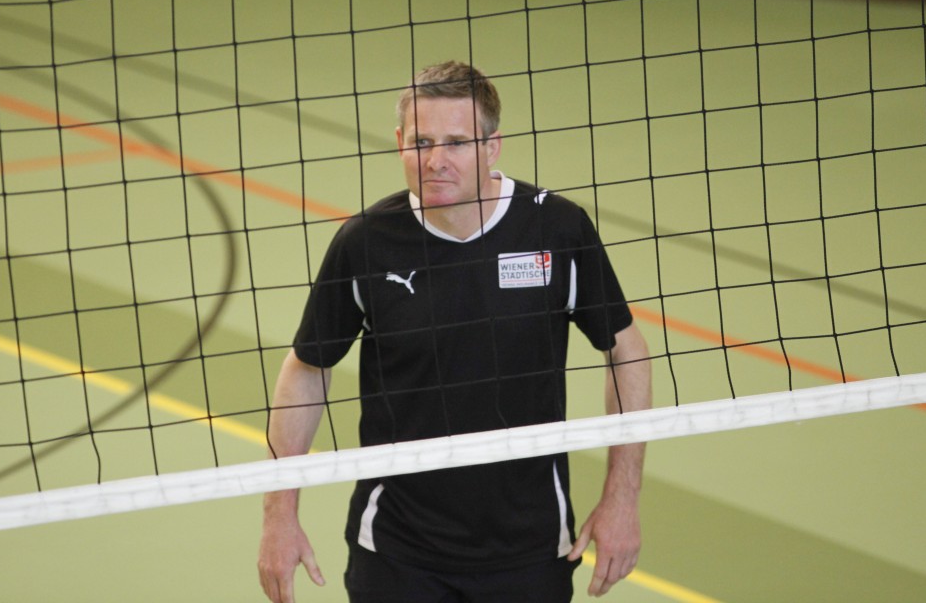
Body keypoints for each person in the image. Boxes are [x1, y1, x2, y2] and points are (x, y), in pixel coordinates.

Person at [258, 61, 651, 602]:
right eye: (420, 142)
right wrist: (279, 515)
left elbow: (627, 352)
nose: (435, 160)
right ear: (400, 142)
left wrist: (622, 499)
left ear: (492, 147)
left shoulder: (555, 229)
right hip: (396, 551)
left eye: (457, 143)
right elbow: (307, 369)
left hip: (530, 548)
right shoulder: (367, 243)